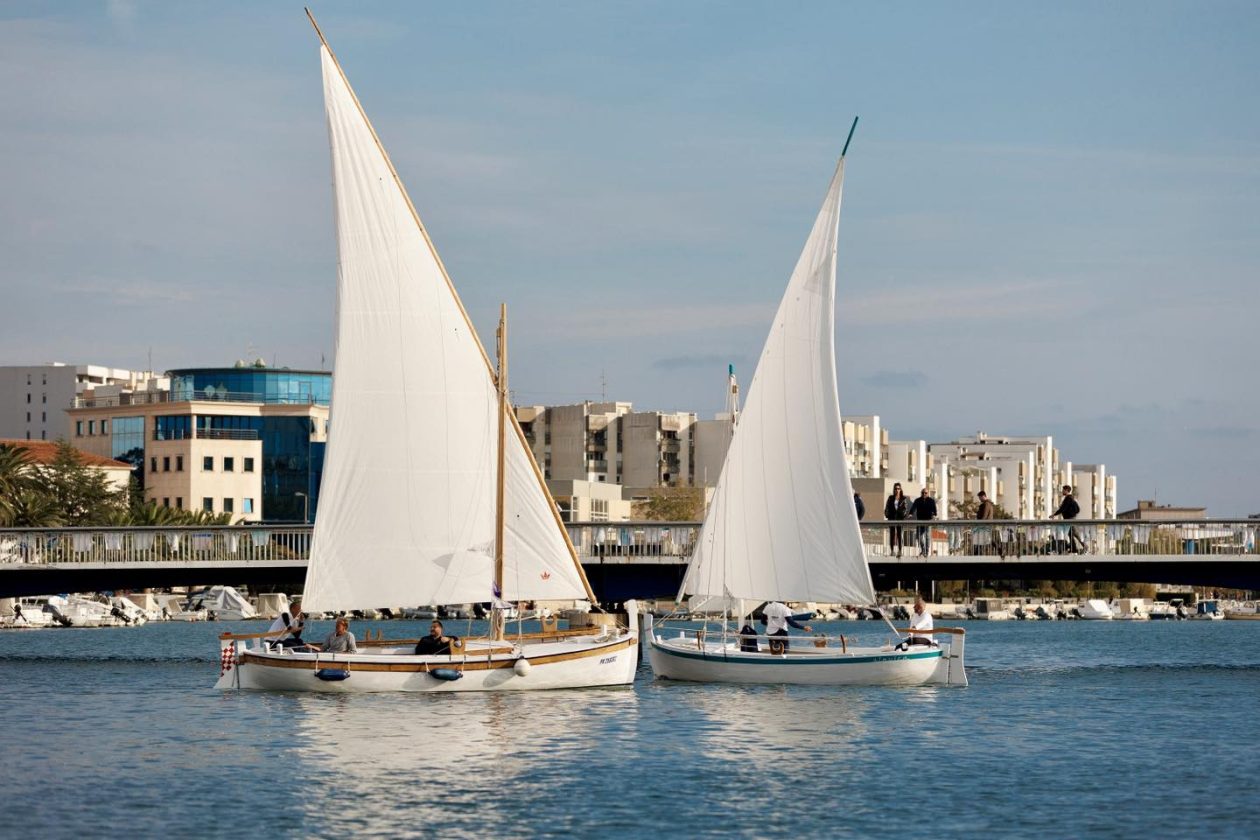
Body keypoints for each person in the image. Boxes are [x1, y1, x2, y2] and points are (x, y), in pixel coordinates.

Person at [1050, 484, 1084, 554]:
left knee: (1074, 533)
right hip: (1070, 518)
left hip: (1070, 519)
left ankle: (1084, 545)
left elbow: (1063, 509)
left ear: (1066, 490)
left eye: (1063, 490)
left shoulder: (1068, 498)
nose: (1062, 491)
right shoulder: (1070, 498)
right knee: (1071, 534)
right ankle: (1074, 549)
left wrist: (1054, 514)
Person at [909, 487, 937, 557]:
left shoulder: (931, 500)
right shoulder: (918, 500)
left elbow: (934, 509)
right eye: (922, 493)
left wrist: (934, 515)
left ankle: (926, 552)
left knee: (927, 536)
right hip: (920, 520)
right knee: (919, 536)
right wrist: (911, 513)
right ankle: (923, 549)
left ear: (928, 493)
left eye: (925, 493)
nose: (924, 494)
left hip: (928, 520)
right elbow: (913, 507)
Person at [974, 490, 1002, 558]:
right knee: (985, 539)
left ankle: (999, 549)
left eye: (980, 497)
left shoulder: (986, 504)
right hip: (986, 524)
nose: (979, 499)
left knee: (984, 539)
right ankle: (977, 553)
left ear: (983, 496)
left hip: (985, 525)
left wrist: (980, 523)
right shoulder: (988, 504)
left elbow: (985, 515)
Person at [884, 483, 908, 558]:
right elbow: (887, 507)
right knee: (892, 535)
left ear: (900, 490)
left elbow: (905, 509)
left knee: (899, 535)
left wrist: (902, 515)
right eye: (896, 488)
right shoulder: (890, 498)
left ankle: (900, 550)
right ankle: (892, 551)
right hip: (892, 519)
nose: (897, 490)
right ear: (894, 489)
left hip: (900, 519)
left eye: (898, 488)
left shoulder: (903, 498)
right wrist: (887, 514)